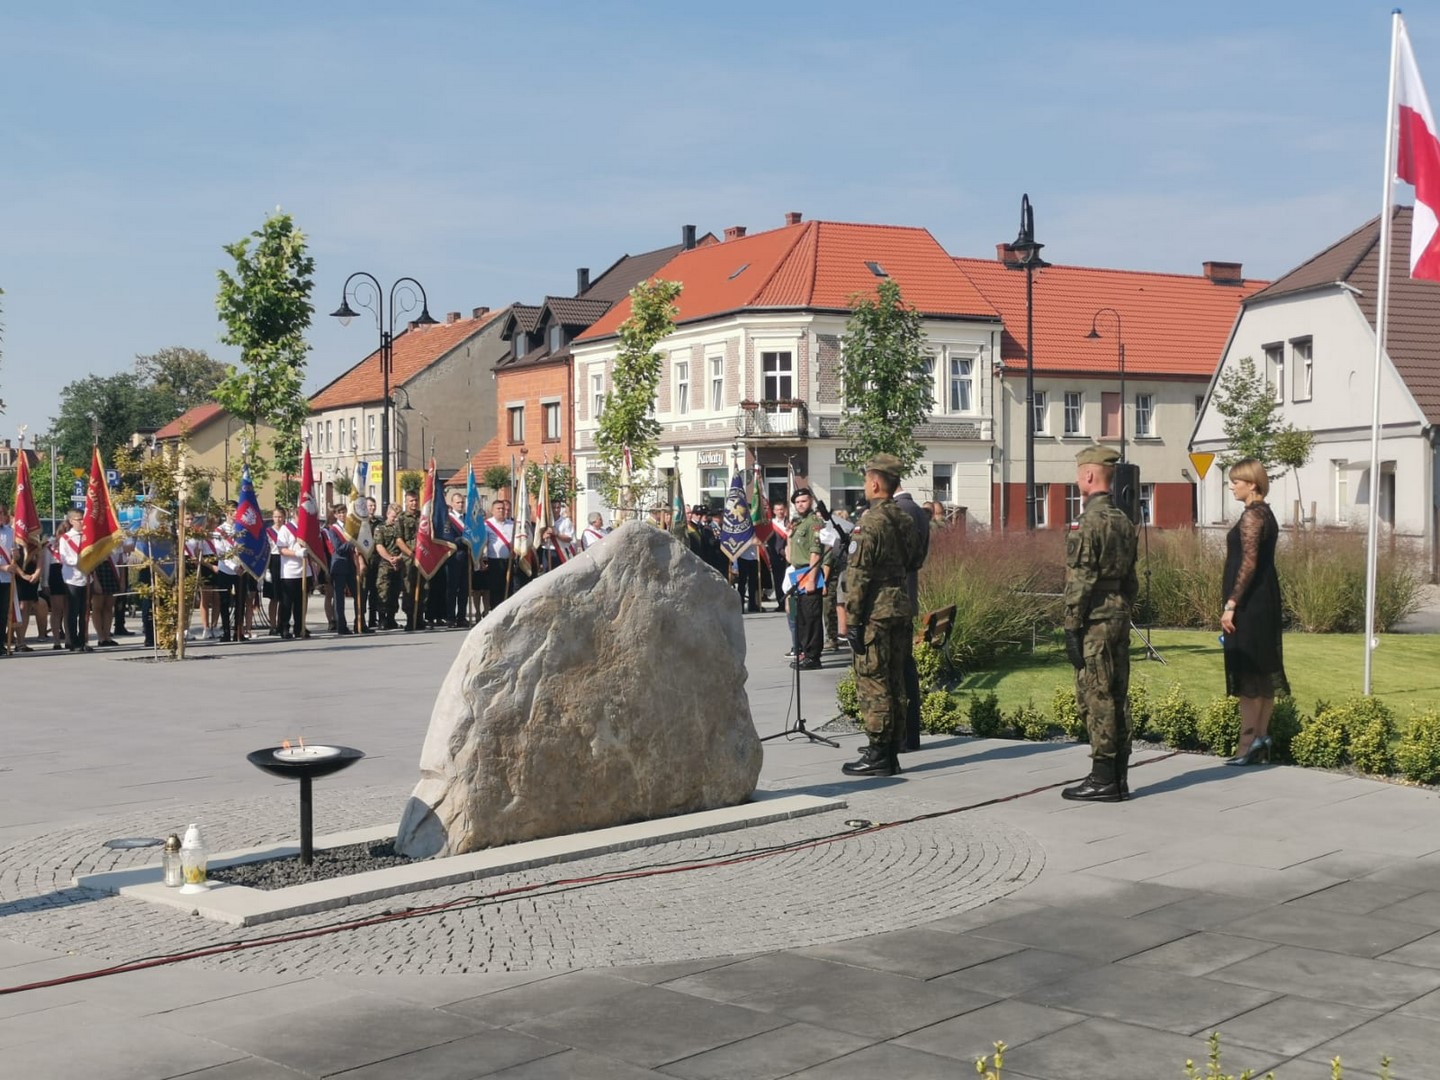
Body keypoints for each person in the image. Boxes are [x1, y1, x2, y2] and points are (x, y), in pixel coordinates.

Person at [1061, 445, 1139, 802]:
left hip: (1095, 617)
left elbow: (1081, 579)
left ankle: (1103, 778)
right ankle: (1117, 774)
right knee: (1117, 691)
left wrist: (1071, 626)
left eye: (1079, 474)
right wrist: (1123, 608)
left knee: (1097, 695)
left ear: (1089, 476)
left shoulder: (1087, 521)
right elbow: (1131, 579)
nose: (1078, 480)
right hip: (1118, 613)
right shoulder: (1124, 520)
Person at [841, 455, 917, 777]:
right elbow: (916, 559)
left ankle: (877, 753)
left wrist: (853, 621)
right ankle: (891, 750)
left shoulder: (869, 523)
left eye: (865, 481)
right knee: (896, 679)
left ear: (874, 483)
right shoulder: (907, 520)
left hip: (875, 612)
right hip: (900, 605)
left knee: (873, 680)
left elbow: (857, 576)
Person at [1221, 458, 1290, 766]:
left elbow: (1248, 563)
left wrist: (1232, 603)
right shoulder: (1266, 513)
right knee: (1263, 672)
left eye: (1236, 481)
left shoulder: (1252, 516)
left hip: (1249, 603)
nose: (1232, 486)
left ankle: (1245, 744)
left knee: (1248, 672)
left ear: (1252, 484)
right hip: (1264, 600)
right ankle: (1260, 740)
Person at [893, 483, 932, 751]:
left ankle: (901, 737)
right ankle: (910, 736)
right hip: (906, 599)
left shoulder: (900, 511)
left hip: (895, 600)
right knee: (906, 668)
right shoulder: (916, 509)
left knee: (897, 671)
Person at [786, 487, 825, 669]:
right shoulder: (797, 523)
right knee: (800, 616)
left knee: (811, 617)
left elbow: (815, 551)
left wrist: (811, 579)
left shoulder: (814, 523)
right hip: (797, 573)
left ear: (811, 501)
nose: (800, 504)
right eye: (797, 502)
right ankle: (804, 652)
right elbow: (789, 554)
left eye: (804, 501)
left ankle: (813, 656)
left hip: (809, 573)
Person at [57, 510, 92, 652]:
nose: (81, 522)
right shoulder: (66, 538)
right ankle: (72, 641)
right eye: (78, 519)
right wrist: (80, 561)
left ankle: (83, 640)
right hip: (72, 578)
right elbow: (65, 558)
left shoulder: (87, 537)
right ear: (71, 521)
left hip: (86, 577)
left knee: (84, 611)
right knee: (72, 611)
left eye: (82, 519)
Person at [273, 508, 308, 640]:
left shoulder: (305, 529)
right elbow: (281, 549)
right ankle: (284, 627)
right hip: (289, 571)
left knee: (301, 602)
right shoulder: (286, 529)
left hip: (304, 570)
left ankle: (299, 627)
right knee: (287, 603)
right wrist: (297, 553)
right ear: (295, 516)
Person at [324, 504, 355, 635]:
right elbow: (338, 548)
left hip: (351, 565)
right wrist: (352, 543)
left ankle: (360, 622)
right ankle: (341, 625)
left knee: (358, 593)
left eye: (344, 512)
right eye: (339, 513)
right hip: (339, 565)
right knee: (339, 598)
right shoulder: (333, 529)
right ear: (336, 515)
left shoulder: (350, 527)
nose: (342, 515)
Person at [373, 502, 404, 630]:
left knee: (395, 592)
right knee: (383, 591)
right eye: (393, 516)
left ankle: (392, 618)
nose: (395, 519)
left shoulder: (401, 529)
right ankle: (382, 619)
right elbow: (379, 546)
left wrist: (399, 557)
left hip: (399, 563)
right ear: (388, 514)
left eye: (397, 516)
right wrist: (390, 559)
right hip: (385, 564)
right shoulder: (380, 528)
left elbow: (406, 544)